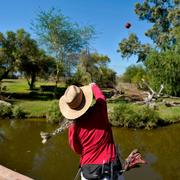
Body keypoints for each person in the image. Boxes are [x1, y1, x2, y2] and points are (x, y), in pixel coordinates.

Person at [59, 83, 146, 180]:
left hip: (88, 171)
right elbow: (101, 97)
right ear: (84, 99)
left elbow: (77, 149)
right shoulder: (99, 111)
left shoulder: (73, 126)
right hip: (109, 169)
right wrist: (93, 86)